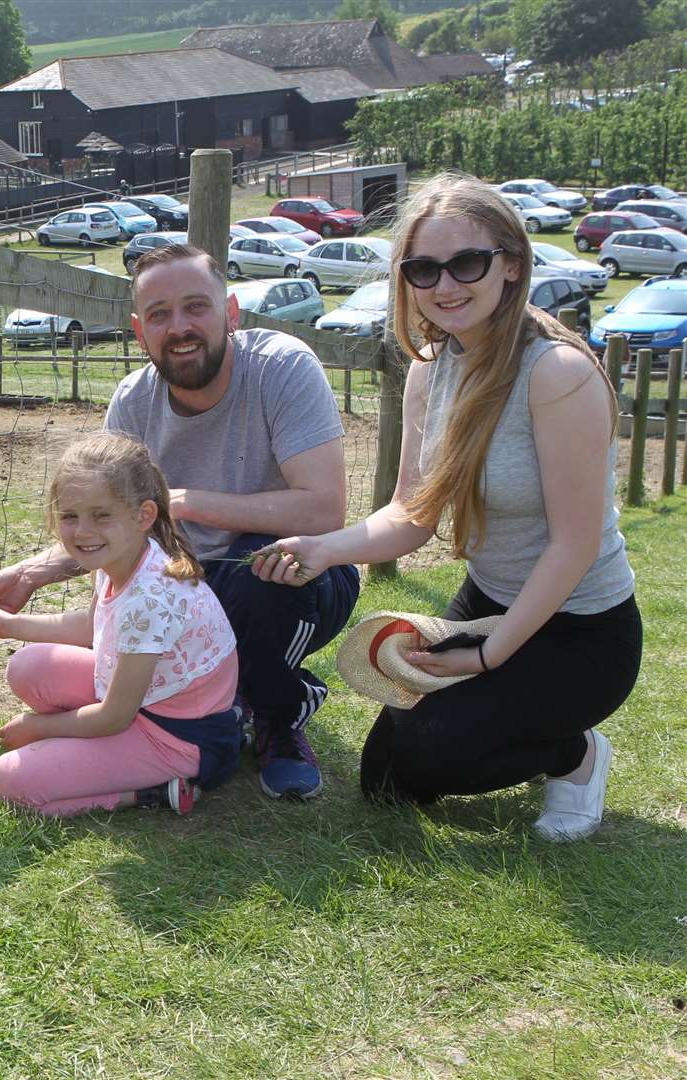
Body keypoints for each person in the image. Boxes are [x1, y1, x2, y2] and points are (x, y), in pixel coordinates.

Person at [252, 172, 640, 841]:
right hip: (489, 600)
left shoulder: (558, 375)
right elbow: (412, 512)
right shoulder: (432, 368)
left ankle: (574, 754)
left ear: (511, 265)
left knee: (439, 752)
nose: (444, 286)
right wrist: (324, 549)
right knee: (386, 780)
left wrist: (488, 655)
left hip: (583, 630)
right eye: (423, 269)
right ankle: (516, 719)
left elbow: (573, 546)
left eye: (466, 262)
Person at [0, 242, 359, 799]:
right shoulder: (133, 403)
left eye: (195, 307)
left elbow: (324, 509)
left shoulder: (281, 367)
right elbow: (110, 528)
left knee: (265, 565)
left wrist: (183, 501)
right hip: (179, 590)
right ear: (139, 330)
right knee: (56, 656)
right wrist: (32, 573)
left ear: (230, 312)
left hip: (291, 575)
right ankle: (155, 716)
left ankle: (277, 716)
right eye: (159, 314)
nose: (178, 327)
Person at [0, 432, 241, 817]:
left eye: (101, 515)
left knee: (12, 779)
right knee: (26, 667)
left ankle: (154, 791)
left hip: (181, 738)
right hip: (146, 702)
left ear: (144, 515)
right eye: (70, 516)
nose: (83, 532)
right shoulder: (121, 559)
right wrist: (10, 624)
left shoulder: (149, 597)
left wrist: (39, 727)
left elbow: (114, 716)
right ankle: (98, 753)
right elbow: (92, 627)